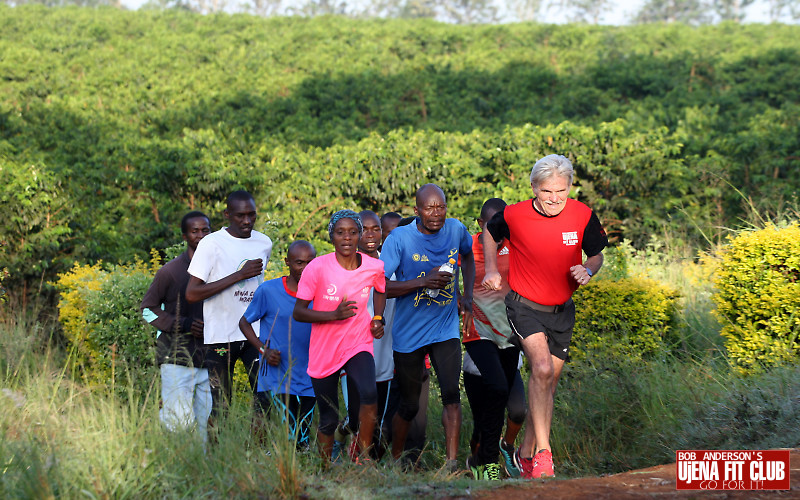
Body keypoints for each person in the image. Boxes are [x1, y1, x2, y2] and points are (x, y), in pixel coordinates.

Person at [482, 154, 607, 479]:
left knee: (547, 384)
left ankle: (524, 454)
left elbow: (597, 253)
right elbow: (489, 235)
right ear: (534, 187)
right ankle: (544, 455)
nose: (554, 199)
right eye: (547, 191)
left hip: (562, 311)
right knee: (539, 369)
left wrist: (587, 269)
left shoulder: (582, 214)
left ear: (569, 188)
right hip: (524, 306)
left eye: (561, 191)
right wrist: (493, 269)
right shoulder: (514, 215)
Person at [381, 184, 475, 471]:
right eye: (429, 208)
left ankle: (451, 463)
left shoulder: (456, 230)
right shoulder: (399, 239)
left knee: (451, 396)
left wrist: (467, 296)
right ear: (417, 210)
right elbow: (381, 286)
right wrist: (423, 282)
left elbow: (468, 256)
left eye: (441, 207)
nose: (436, 214)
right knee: (409, 405)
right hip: (408, 334)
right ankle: (396, 461)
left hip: (444, 329)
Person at [293, 210, 387, 463]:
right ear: (331, 237)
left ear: (360, 235)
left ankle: (364, 459)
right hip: (325, 349)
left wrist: (378, 318)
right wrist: (334, 315)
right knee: (329, 416)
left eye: (353, 232)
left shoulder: (374, 266)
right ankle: (324, 470)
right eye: (340, 232)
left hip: (358, 342)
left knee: (369, 395)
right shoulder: (317, 268)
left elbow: (380, 290)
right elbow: (299, 313)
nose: (347, 238)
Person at [186, 190, 273, 419]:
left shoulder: (264, 242)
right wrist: (238, 275)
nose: (246, 221)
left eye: (251, 215)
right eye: (240, 215)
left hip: (254, 333)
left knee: (266, 398)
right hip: (220, 336)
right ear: (227, 214)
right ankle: (217, 454)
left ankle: (261, 451)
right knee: (221, 405)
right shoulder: (211, 244)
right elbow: (192, 293)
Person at [462, 198, 524, 481]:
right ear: (480, 224)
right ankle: (488, 466)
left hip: (510, 335)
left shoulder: (517, 247)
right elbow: (452, 280)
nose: (496, 230)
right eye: (490, 225)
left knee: (498, 406)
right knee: (498, 389)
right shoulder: (468, 248)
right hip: (478, 334)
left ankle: (479, 459)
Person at [141, 211, 212, 442]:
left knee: (206, 427)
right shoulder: (170, 272)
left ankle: (201, 474)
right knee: (178, 425)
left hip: (211, 360)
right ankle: (171, 472)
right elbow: (147, 310)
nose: (200, 235)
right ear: (184, 236)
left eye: (205, 230)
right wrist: (183, 324)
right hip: (176, 360)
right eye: (195, 231)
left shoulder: (220, 271)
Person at [238, 240, 317, 449]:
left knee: (303, 437)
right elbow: (244, 322)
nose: (305, 268)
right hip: (277, 373)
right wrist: (263, 349)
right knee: (286, 433)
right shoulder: (269, 291)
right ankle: (271, 465)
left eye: (310, 262)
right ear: (288, 262)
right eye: (299, 263)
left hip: (310, 372)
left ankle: (303, 473)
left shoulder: (323, 293)